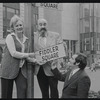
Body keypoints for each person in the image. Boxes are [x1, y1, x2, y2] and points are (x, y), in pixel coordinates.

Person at [0, 15, 36, 98]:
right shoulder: (10, 37)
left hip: (21, 69)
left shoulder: (26, 40)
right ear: (13, 27)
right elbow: (14, 53)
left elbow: (26, 57)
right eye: (16, 26)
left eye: (20, 25)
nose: (19, 27)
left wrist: (35, 60)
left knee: (23, 89)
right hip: (8, 69)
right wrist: (29, 54)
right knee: (6, 94)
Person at [34, 18, 63, 98]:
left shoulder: (55, 35)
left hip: (52, 68)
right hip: (40, 69)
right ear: (37, 26)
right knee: (44, 92)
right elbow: (31, 53)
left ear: (47, 25)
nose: (43, 26)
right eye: (40, 24)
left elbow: (62, 49)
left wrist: (55, 59)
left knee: (54, 92)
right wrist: (36, 60)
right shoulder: (33, 36)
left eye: (44, 24)